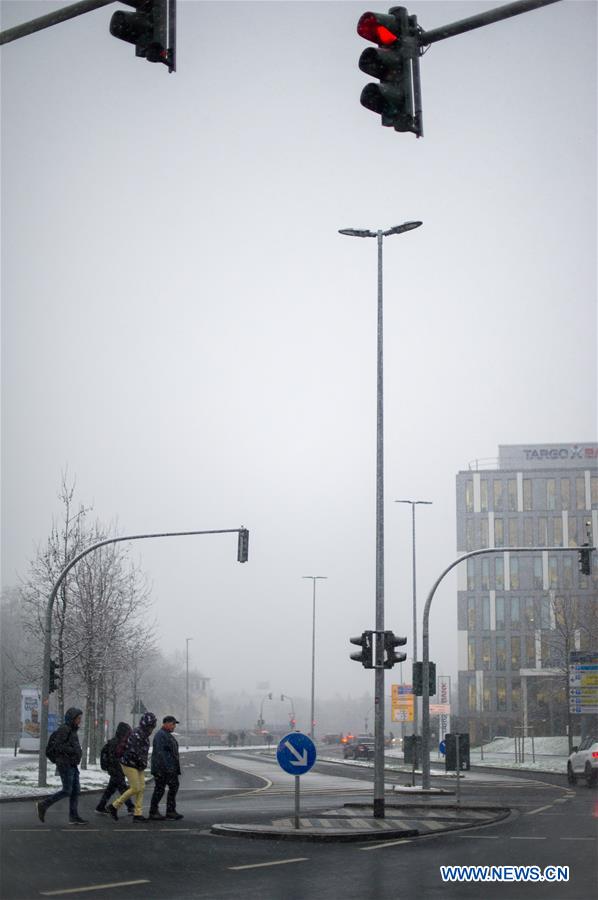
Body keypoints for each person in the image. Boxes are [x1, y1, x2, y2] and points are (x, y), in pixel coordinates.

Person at [36, 707, 87, 825]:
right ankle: (43, 805)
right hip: (65, 764)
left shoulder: (72, 730)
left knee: (75, 790)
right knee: (67, 790)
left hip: (72, 764)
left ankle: (73, 816)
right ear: (72, 718)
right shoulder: (64, 729)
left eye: (80, 718)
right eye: (78, 718)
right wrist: (73, 751)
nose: (80, 720)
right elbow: (59, 746)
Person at [106, 711, 156, 822]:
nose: (152, 729)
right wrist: (141, 762)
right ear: (146, 726)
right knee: (135, 788)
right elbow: (134, 752)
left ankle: (137, 814)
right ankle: (114, 806)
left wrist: (142, 762)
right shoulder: (137, 734)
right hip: (129, 764)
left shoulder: (143, 735)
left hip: (138, 765)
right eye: (151, 726)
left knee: (141, 788)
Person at [96, 722, 135, 815]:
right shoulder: (117, 742)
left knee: (111, 789)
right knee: (123, 789)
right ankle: (131, 807)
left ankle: (100, 807)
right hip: (116, 770)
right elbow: (114, 758)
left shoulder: (117, 741)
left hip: (115, 770)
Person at [148, 715, 183, 820]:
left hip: (167, 768)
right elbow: (160, 753)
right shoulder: (161, 735)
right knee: (160, 789)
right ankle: (156, 811)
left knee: (170, 787)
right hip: (163, 769)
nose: (174, 726)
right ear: (166, 723)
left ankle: (169, 810)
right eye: (173, 724)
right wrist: (167, 768)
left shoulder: (166, 734)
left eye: (174, 724)